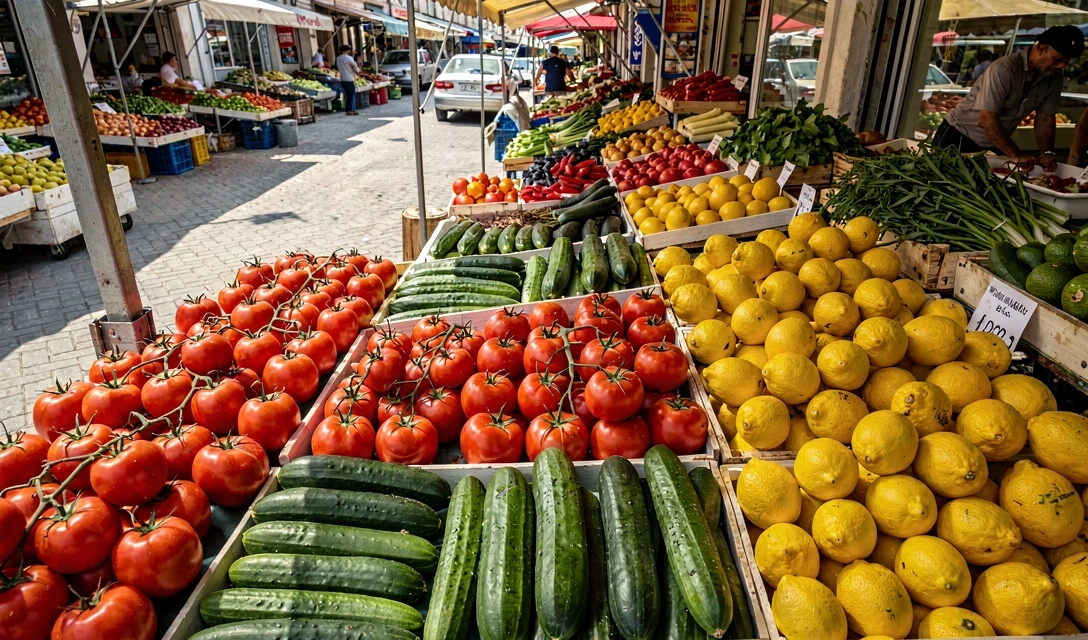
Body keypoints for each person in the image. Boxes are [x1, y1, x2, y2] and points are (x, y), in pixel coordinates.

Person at [934, 26, 1083, 172]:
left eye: (1066, 61)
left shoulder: (1053, 76)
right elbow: (986, 119)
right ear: (1041, 48)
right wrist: (1016, 154)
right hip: (957, 139)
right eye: (1057, 59)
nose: (1061, 66)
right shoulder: (1004, 69)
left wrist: (1047, 152)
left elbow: (1045, 118)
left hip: (992, 146)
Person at [337, 45, 361, 115]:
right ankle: (352, 110)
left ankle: (348, 110)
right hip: (349, 78)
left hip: (343, 78)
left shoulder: (338, 58)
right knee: (352, 95)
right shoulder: (349, 58)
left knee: (347, 95)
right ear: (347, 50)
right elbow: (354, 66)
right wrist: (359, 73)